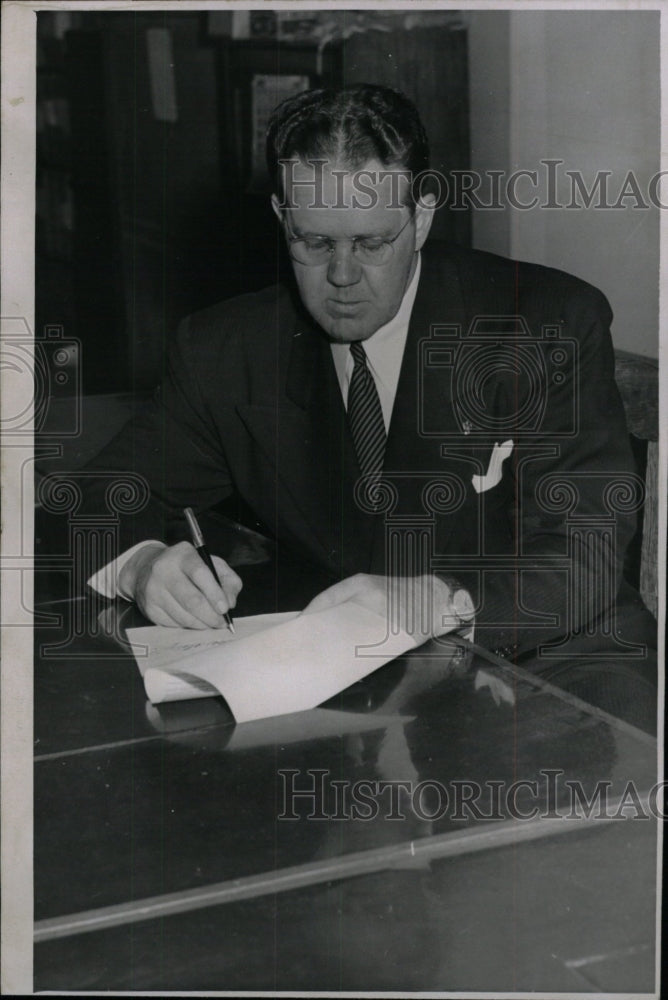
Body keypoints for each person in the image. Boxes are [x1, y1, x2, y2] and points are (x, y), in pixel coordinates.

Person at [67, 84, 655, 722]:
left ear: (422, 215)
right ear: (281, 217)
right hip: (368, 693)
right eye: (314, 243)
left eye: (372, 243)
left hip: (551, 674)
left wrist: (432, 603)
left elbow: (585, 550)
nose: (342, 276)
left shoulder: (542, 324)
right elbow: (95, 494)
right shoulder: (227, 350)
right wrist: (141, 565)